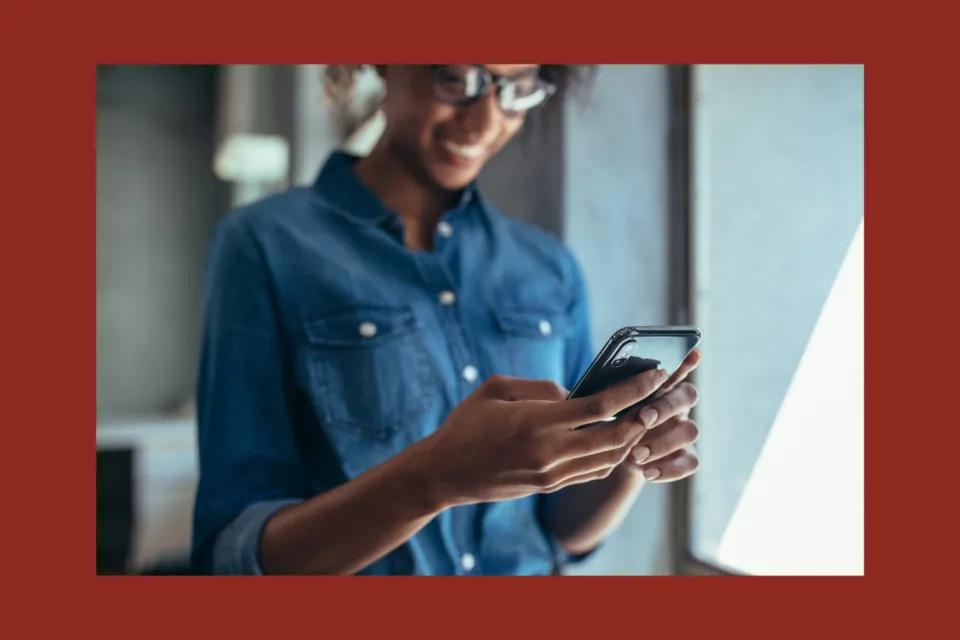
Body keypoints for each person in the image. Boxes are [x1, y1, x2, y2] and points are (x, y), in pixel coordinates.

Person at [190, 64, 702, 576]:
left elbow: (558, 532)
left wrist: (626, 455)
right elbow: (236, 558)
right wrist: (434, 478)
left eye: (516, 90)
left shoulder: (548, 267)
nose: (483, 124)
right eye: (455, 79)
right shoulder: (264, 245)